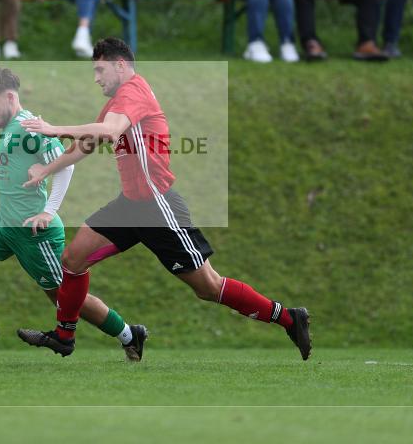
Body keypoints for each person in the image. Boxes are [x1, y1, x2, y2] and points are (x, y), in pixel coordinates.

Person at [16, 38, 311, 361]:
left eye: (100, 70)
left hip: (158, 206)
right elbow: (89, 142)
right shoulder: (119, 101)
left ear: (120, 65)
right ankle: (64, 336)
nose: (96, 77)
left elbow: (111, 131)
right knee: (73, 259)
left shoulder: (134, 92)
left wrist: (53, 128)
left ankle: (288, 318)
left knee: (208, 287)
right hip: (130, 206)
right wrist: (47, 169)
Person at [0, 66, 148, 361]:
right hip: (3, 224)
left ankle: (130, 334)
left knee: (65, 299)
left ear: (10, 97)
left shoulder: (28, 128)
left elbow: (67, 164)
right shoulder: (10, 129)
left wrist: (49, 212)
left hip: (34, 232)